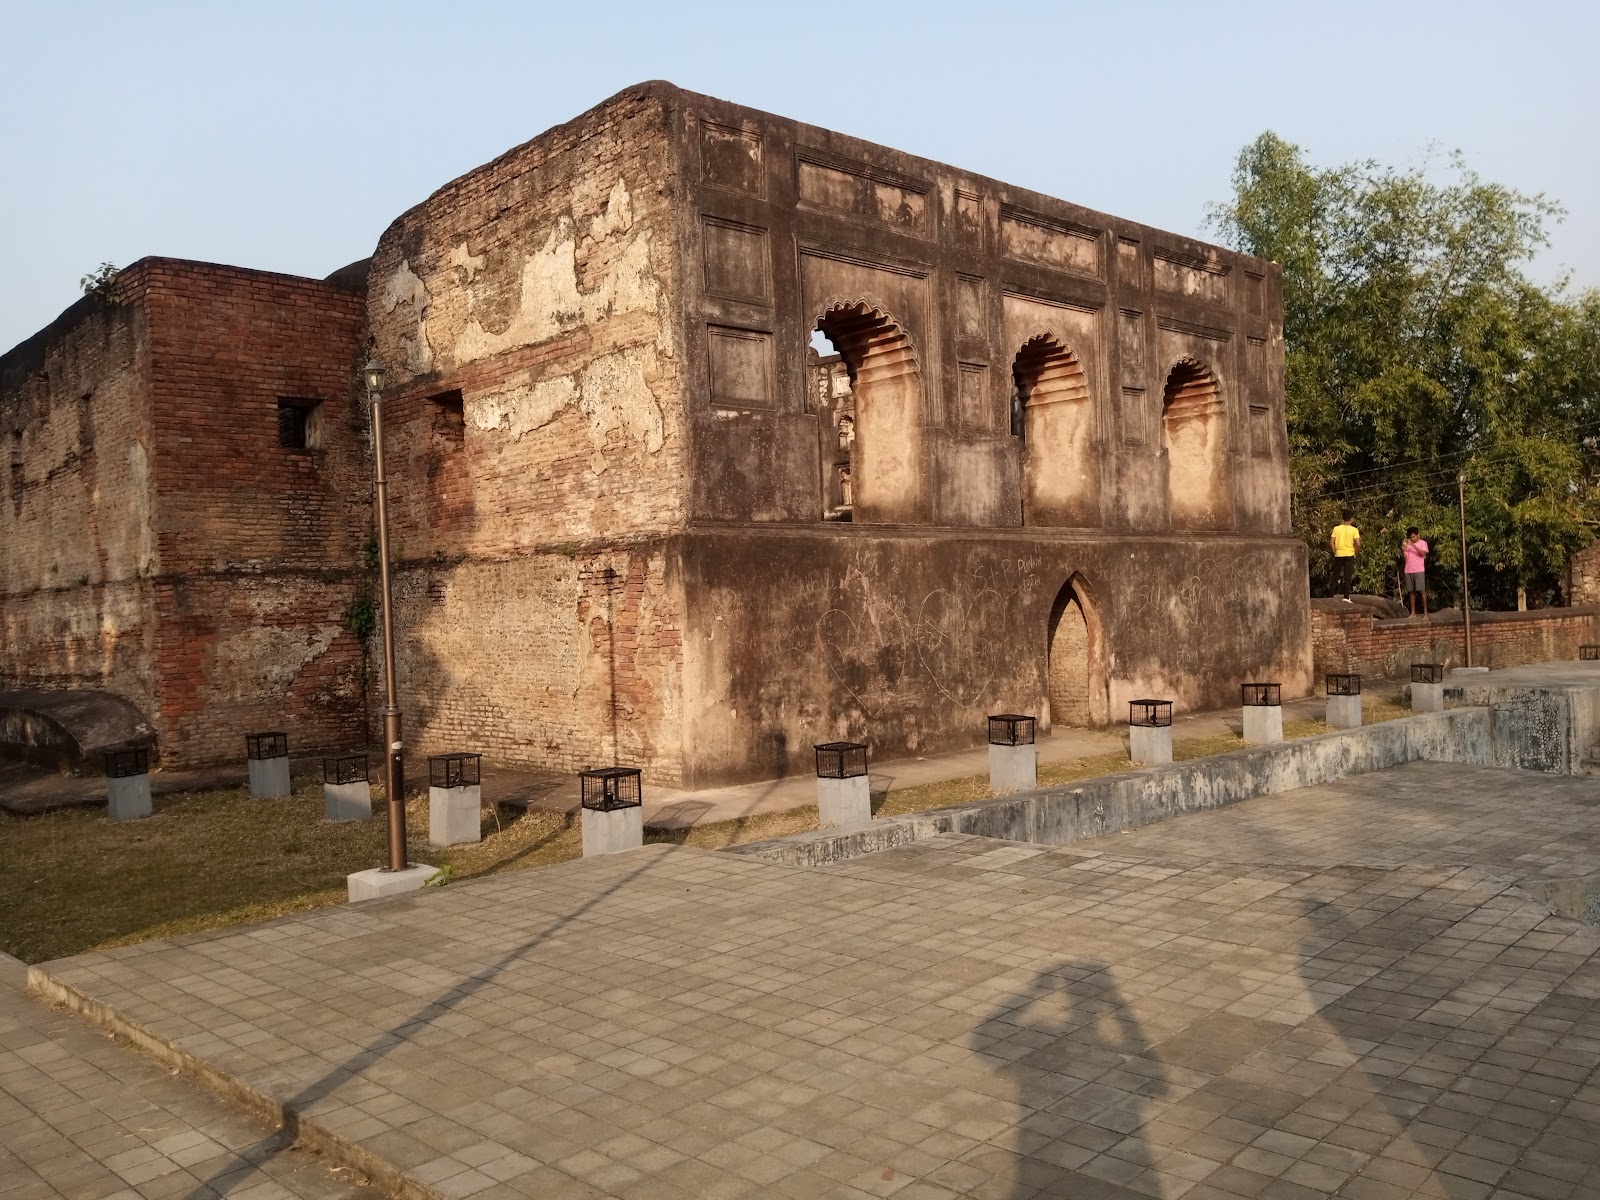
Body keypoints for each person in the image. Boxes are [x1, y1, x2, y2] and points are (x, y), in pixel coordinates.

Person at [1329, 508, 1360, 600]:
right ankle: (1346, 596)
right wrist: (1355, 552)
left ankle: (1330, 594)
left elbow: (1331, 542)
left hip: (1339, 554)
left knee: (1335, 575)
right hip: (1349, 554)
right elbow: (1358, 543)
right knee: (1348, 576)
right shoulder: (1354, 530)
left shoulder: (1336, 528)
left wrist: (1335, 551)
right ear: (1351, 519)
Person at [1402, 526, 1429, 616]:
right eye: (1411, 537)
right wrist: (1404, 549)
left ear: (1418, 535)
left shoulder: (1423, 543)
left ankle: (1425, 612)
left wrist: (1413, 546)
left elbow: (1423, 553)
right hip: (1408, 570)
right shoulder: (1407, 544)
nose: (1412, 539)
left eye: (1414, 536)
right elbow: (1405, 559)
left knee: (1422, 591)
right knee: (1411, 592)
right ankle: (1413, 612)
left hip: (1419, 570)